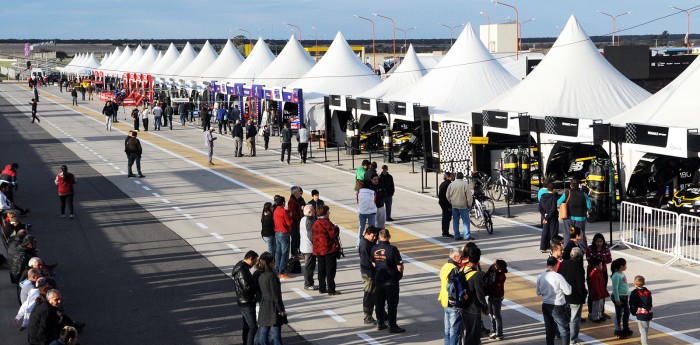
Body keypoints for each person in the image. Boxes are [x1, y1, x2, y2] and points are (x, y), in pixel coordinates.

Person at [371, 229, 405, 333]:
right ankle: (392, 325)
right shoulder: (392, 249)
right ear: (389, 237)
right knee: (392, 304)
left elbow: (373, 263)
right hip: (391, 281)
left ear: (379, 237)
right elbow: (399, 266)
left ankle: (380, 323)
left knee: (379, 303)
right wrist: (399, 273)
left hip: (379, 279)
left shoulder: (374, 247)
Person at [536, 256, 572, 345]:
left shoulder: (541, 276)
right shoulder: (558, 276)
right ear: (556, 265)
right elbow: (568, 291)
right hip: (557, 305)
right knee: (564, 330)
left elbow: (538, 292)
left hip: (545, 305)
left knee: (549, 331)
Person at [558, 247, 587, 345]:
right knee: (574, 320)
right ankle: (572, 341)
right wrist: (584, 295)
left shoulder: (563, 264)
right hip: (575, 298)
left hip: (564, 297)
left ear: (571, 255)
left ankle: (564, 338)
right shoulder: (579, 268)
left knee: (565, 319)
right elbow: (580, 284)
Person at [257, 252, 287, 345]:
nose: (274, 263)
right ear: (270, 263)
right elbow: (276, 295)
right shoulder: (272, 276)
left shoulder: (260, 275)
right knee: (277, 330)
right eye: (273, 262)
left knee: (264, 329)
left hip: (264, 303)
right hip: (273, 306)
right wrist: (281, 309)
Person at [461, 247, 489, 344]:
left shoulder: (463, 269)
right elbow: (480, 295)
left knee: (466, 334)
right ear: (478, 259)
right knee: (474, 337)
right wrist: (485, 308)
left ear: (468, 258)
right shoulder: (477, 275)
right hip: (473, 310)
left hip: (463, 307)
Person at [312, 205, 341, 295]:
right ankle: (331, 290)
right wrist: (336, 229)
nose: (329, 213)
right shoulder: (326, 223)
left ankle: (322, 287)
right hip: (328, 249)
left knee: (321, 270)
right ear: (325, 212)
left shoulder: (315, 223)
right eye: (328, 211)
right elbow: (333, 235)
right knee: (330, 270)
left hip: (318, 250)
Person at [232, 250, 259, 345]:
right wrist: (256, 284)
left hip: (244, 300)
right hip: (246, 302)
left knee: (247, 325)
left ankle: (245, 342)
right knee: (253, 326)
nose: (255, 263)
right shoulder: (242, 271)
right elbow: (247, 288)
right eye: (255, 261)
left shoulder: (242, 267)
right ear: (250, 259)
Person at [438, 247, 463, 345]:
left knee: (447, 330)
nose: (462, 259)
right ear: (455, 257)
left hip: (445, 301)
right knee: (455, 331)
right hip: (453, 302)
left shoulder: (445, 266)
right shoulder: (454, 269)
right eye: (460, 257)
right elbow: (456, 287)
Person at [585, 233, 612, 319]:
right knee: (592, 292)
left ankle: (601, 312)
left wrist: (599, 261)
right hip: (592, 272)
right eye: (597, 241)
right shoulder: (589, 248)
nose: (599, 243)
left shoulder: (606, 248)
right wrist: (597, 264)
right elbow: (589, 259)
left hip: (603, 272)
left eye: (601, 241)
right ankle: (591, 312)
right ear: (594, 241)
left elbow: (609, 259)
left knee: (602, 291)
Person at [557, 179, 591, 248]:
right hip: (580, 218)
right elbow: (589, 205)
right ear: (578, 185)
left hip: (568, 218)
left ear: (570, 185)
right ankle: (582, 249)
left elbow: (559, 202)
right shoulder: (583, 194)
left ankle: (567, 248)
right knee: (580, 233)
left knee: (567, 233)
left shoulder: (567, 193)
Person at [359, 226, 379, 325]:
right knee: (369, 295)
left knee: (375, 294)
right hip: (368, 274)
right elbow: (366, 262)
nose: (375, 238)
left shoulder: (369, 241)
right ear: (367, 234)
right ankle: (367, 316)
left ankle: (380, 313)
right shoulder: (365, 245)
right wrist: (370, 275)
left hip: (371, 273)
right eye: (373, 236)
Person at [446, 172, 474, 241]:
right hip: (463, 206)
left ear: (456, 177)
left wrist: (451, 201)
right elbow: (469, 196)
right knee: (465, 221)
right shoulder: (465, 184)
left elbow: (447, 195)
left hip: (454, 205)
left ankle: (457, 236)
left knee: (455, 221)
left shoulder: (451, 184)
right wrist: (469, 204)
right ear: (462, 177)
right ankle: (466, 236)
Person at [485, 259, 508, 341]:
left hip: (497, 297)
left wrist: (487, 289)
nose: (493, 265)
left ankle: (499, 333)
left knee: (496, 315)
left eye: (495, 265)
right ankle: (494, 331)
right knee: (491, 314)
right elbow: (486, 276)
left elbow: (495, 288)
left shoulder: (501, 276)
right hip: (491, 296)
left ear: (499, 268)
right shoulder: (492, 269)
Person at [611, 258, 632, 339]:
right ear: (621, 266)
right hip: (619, 297)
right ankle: (618, 330)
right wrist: (617, 300)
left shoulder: (622, 273)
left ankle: (626, 328)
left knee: (626, 313)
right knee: (619, 314)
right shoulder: (616, 276)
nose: (626, 266)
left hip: (624, 296)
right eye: (625, 265)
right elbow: (615, 289)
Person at [629, 275, 653, 345]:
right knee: (645, 329)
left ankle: (644, 343)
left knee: (642, 330)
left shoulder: (634, 293)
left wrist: (633, 312)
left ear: (635, 283)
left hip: (641, 314)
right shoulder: (647, 292)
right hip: (649, 313)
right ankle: (642, 341)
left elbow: (632, 304)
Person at [273, 196, 292, 279]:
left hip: (277, 232)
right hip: (284, 233)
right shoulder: (284, 211)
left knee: (278, 252)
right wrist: (290, 216)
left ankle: (277, 270)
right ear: (283, 202)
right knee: (285, 253)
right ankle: (282, 271)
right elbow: (289, 223)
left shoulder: (276, 210)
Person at [586, 258, 609, 323]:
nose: (602, 266)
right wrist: (598, 293)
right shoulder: (593, 274)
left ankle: (599, 315)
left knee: (600, 305)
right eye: (600, 265)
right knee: (596, 305)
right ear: (596, 266)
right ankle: (595, 317)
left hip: (600, 292)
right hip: (597, 293)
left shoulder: (599, 272)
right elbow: (595, 285)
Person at [299, 205, 316, 290]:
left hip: (304, 246)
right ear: (309, 212)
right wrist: (315, 244)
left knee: (308, 266)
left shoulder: (302, 219)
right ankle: (308, 284)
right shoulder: (309, 221)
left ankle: (309, 282)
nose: (314, 212)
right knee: (309, 267)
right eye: (313, 210)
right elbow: (311, 235)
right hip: (309, 248)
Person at [539, 183, 560, 253]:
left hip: (544, 216)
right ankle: (554, 248)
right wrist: (548, 217)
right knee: (553, 233)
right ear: (554, 189)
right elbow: (553, 209)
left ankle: (543, 247)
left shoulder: (542, 197)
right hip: (552, 217)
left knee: (545, 232)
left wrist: (544, 216)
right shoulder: (553, 198)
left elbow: (540, 208)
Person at [356, 180, 377, 246]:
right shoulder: (373, 192)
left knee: (361, 227)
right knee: (371, 228)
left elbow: (357, 200)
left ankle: (359, 242)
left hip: (362, 212)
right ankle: (371, 242)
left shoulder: (359, 192)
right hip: (371, 212)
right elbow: (374, 201)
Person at [288, 186, 305, 257]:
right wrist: (300, 218)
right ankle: (294, 252)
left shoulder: (298, 199)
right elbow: (293, 213)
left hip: (298, 222)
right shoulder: (292, 201)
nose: (300, 192)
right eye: (298, 191)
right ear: (295, 192)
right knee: (295, 238)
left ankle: (297, 251)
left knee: (298, 238)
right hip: (294, 223)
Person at [438, 172, 454, 238]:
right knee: (447, 218)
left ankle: (444, 232)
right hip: (446, 204)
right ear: (448, 177)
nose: (453, 177)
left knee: (444, 218)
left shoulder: (443, 184)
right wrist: (448, 207)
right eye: (452, 176)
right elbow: (447, 196)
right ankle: (445, 233)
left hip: (443, 203)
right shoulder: (448, 185)